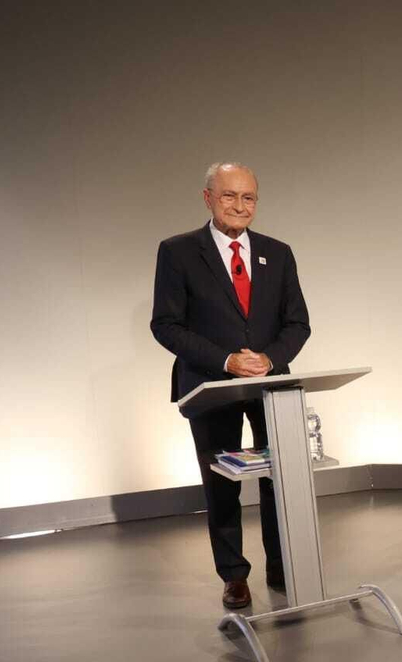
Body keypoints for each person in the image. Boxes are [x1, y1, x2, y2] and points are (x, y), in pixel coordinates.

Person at [150, 163, 311, 609]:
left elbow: (298, 323)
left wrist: (270, 358)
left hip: (270, 387)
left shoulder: (277, 253)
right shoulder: (179, 252)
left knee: (279, 479)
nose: (240, 206)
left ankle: (281, 564)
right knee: (222, 484)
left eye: (249, 198)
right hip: (209, 386)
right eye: (229, 196)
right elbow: (165, 325)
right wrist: (225, 360)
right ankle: (234, 575)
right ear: (208, 198)